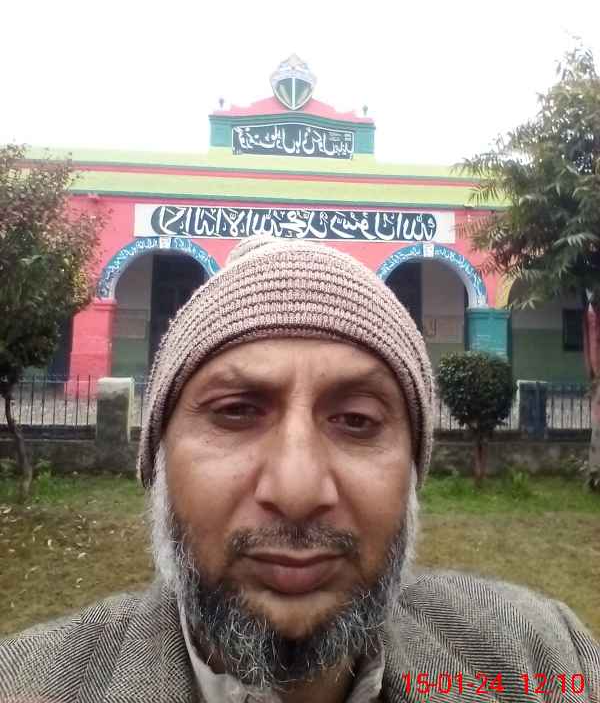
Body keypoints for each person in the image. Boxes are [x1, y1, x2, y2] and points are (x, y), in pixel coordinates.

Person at [0, 235, 598, 703]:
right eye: (236, 412)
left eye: (357, 420)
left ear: (413, 475)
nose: (296, 490)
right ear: (158, 462)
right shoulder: (28, 683)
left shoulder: (541, 663)